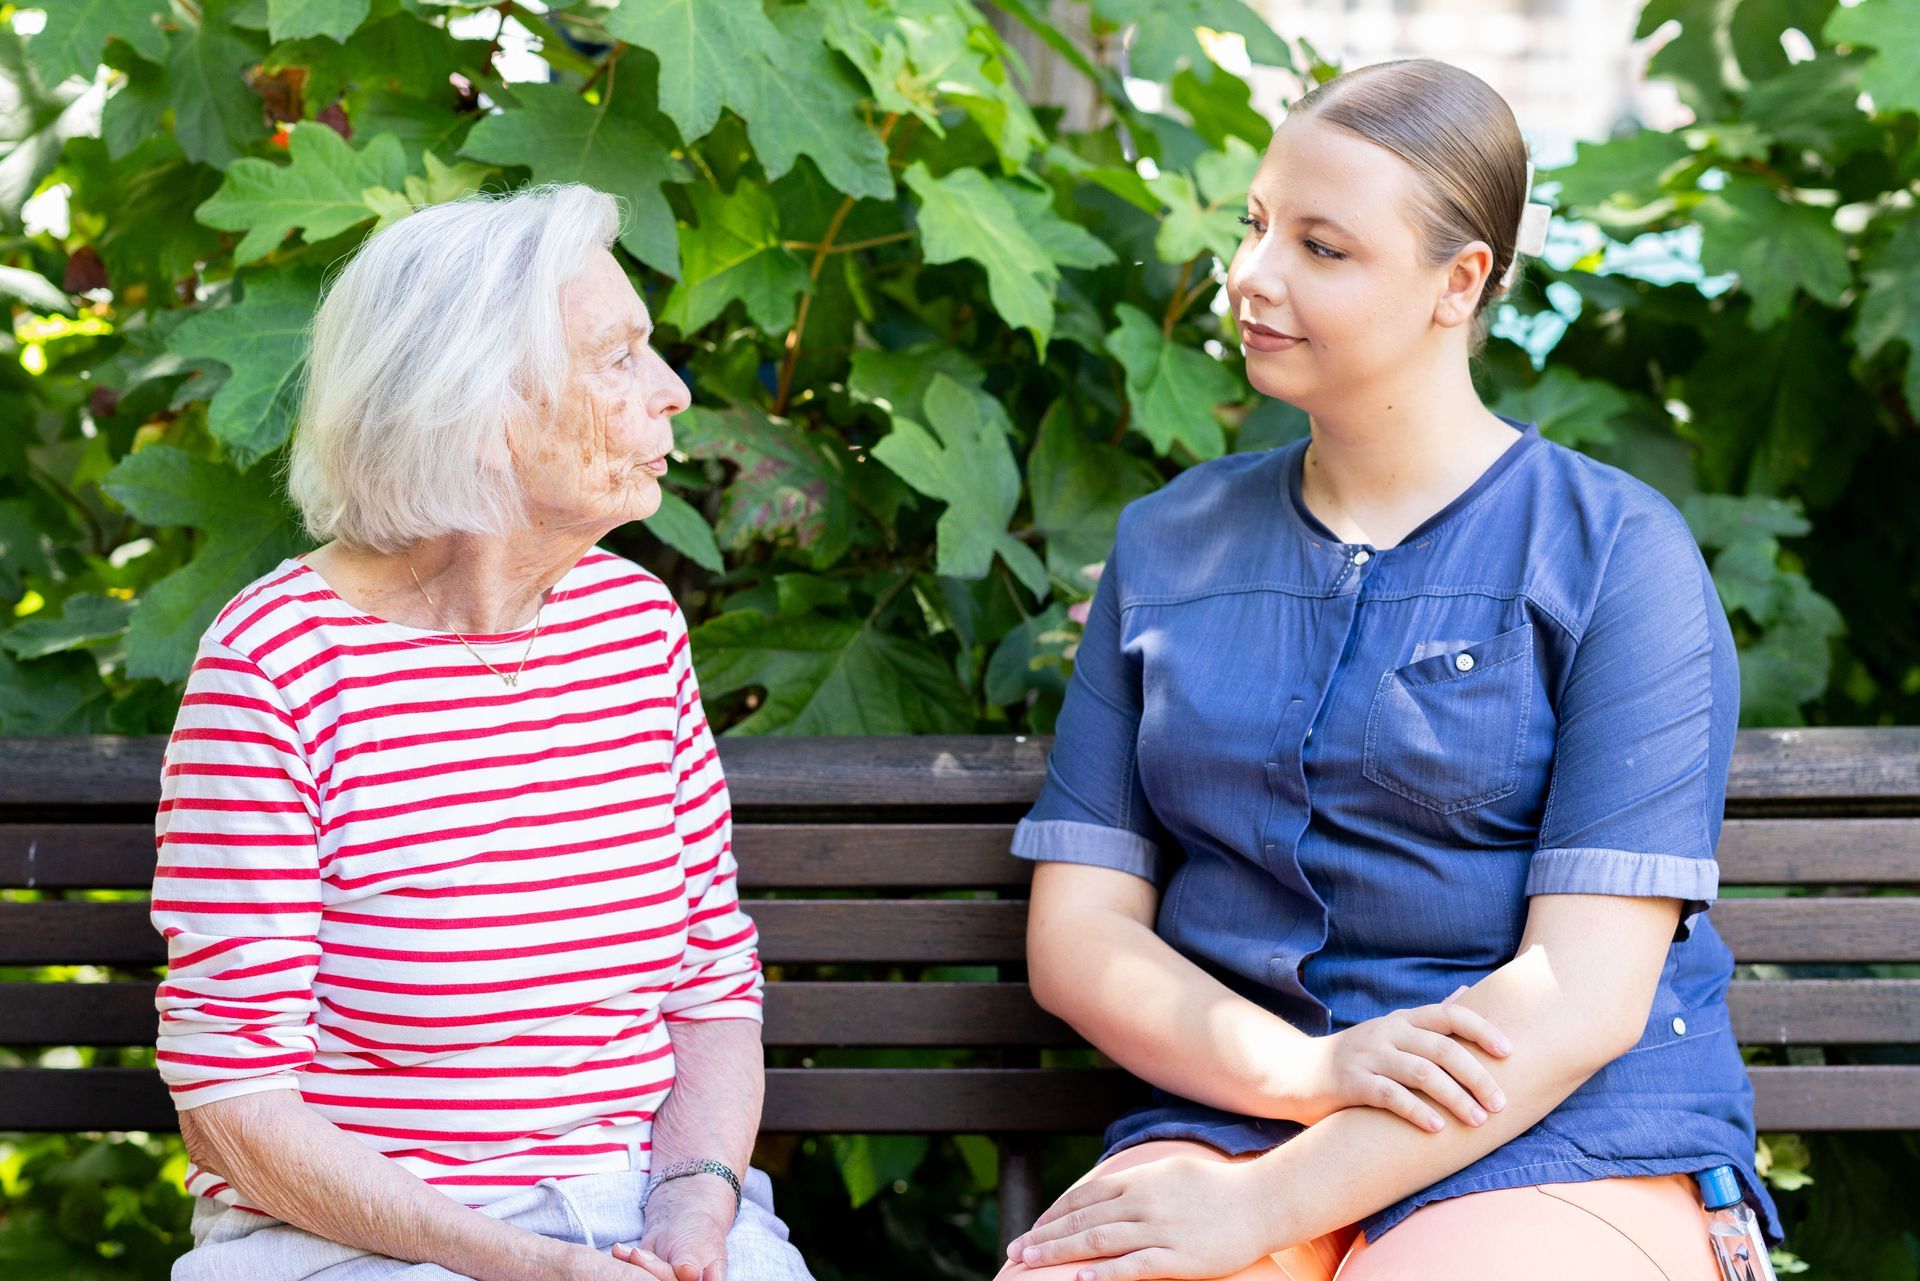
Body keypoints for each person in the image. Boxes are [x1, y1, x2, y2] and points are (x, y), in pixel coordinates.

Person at [994, 59, 1779, 1281]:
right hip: (1235, 1118)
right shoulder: (1169, 543)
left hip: (1563, 1137)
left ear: (1458, 282)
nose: (1253, 276)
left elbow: (1580, 999)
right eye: (1258, 226)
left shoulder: (1616, 554)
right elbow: (1083, 933)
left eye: (1324, 246)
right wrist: (1300, 1077)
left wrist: (1261, 1214)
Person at [151, 184, 813, 1281]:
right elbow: (233, 1102)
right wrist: (530, 1267)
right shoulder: (278, 662)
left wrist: (693, 1222)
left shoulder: (632, 626)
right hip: (356, 1237)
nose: (673, 392)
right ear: (480, 405)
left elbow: (708, 989)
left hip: (637, 1207)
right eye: (620, 358)